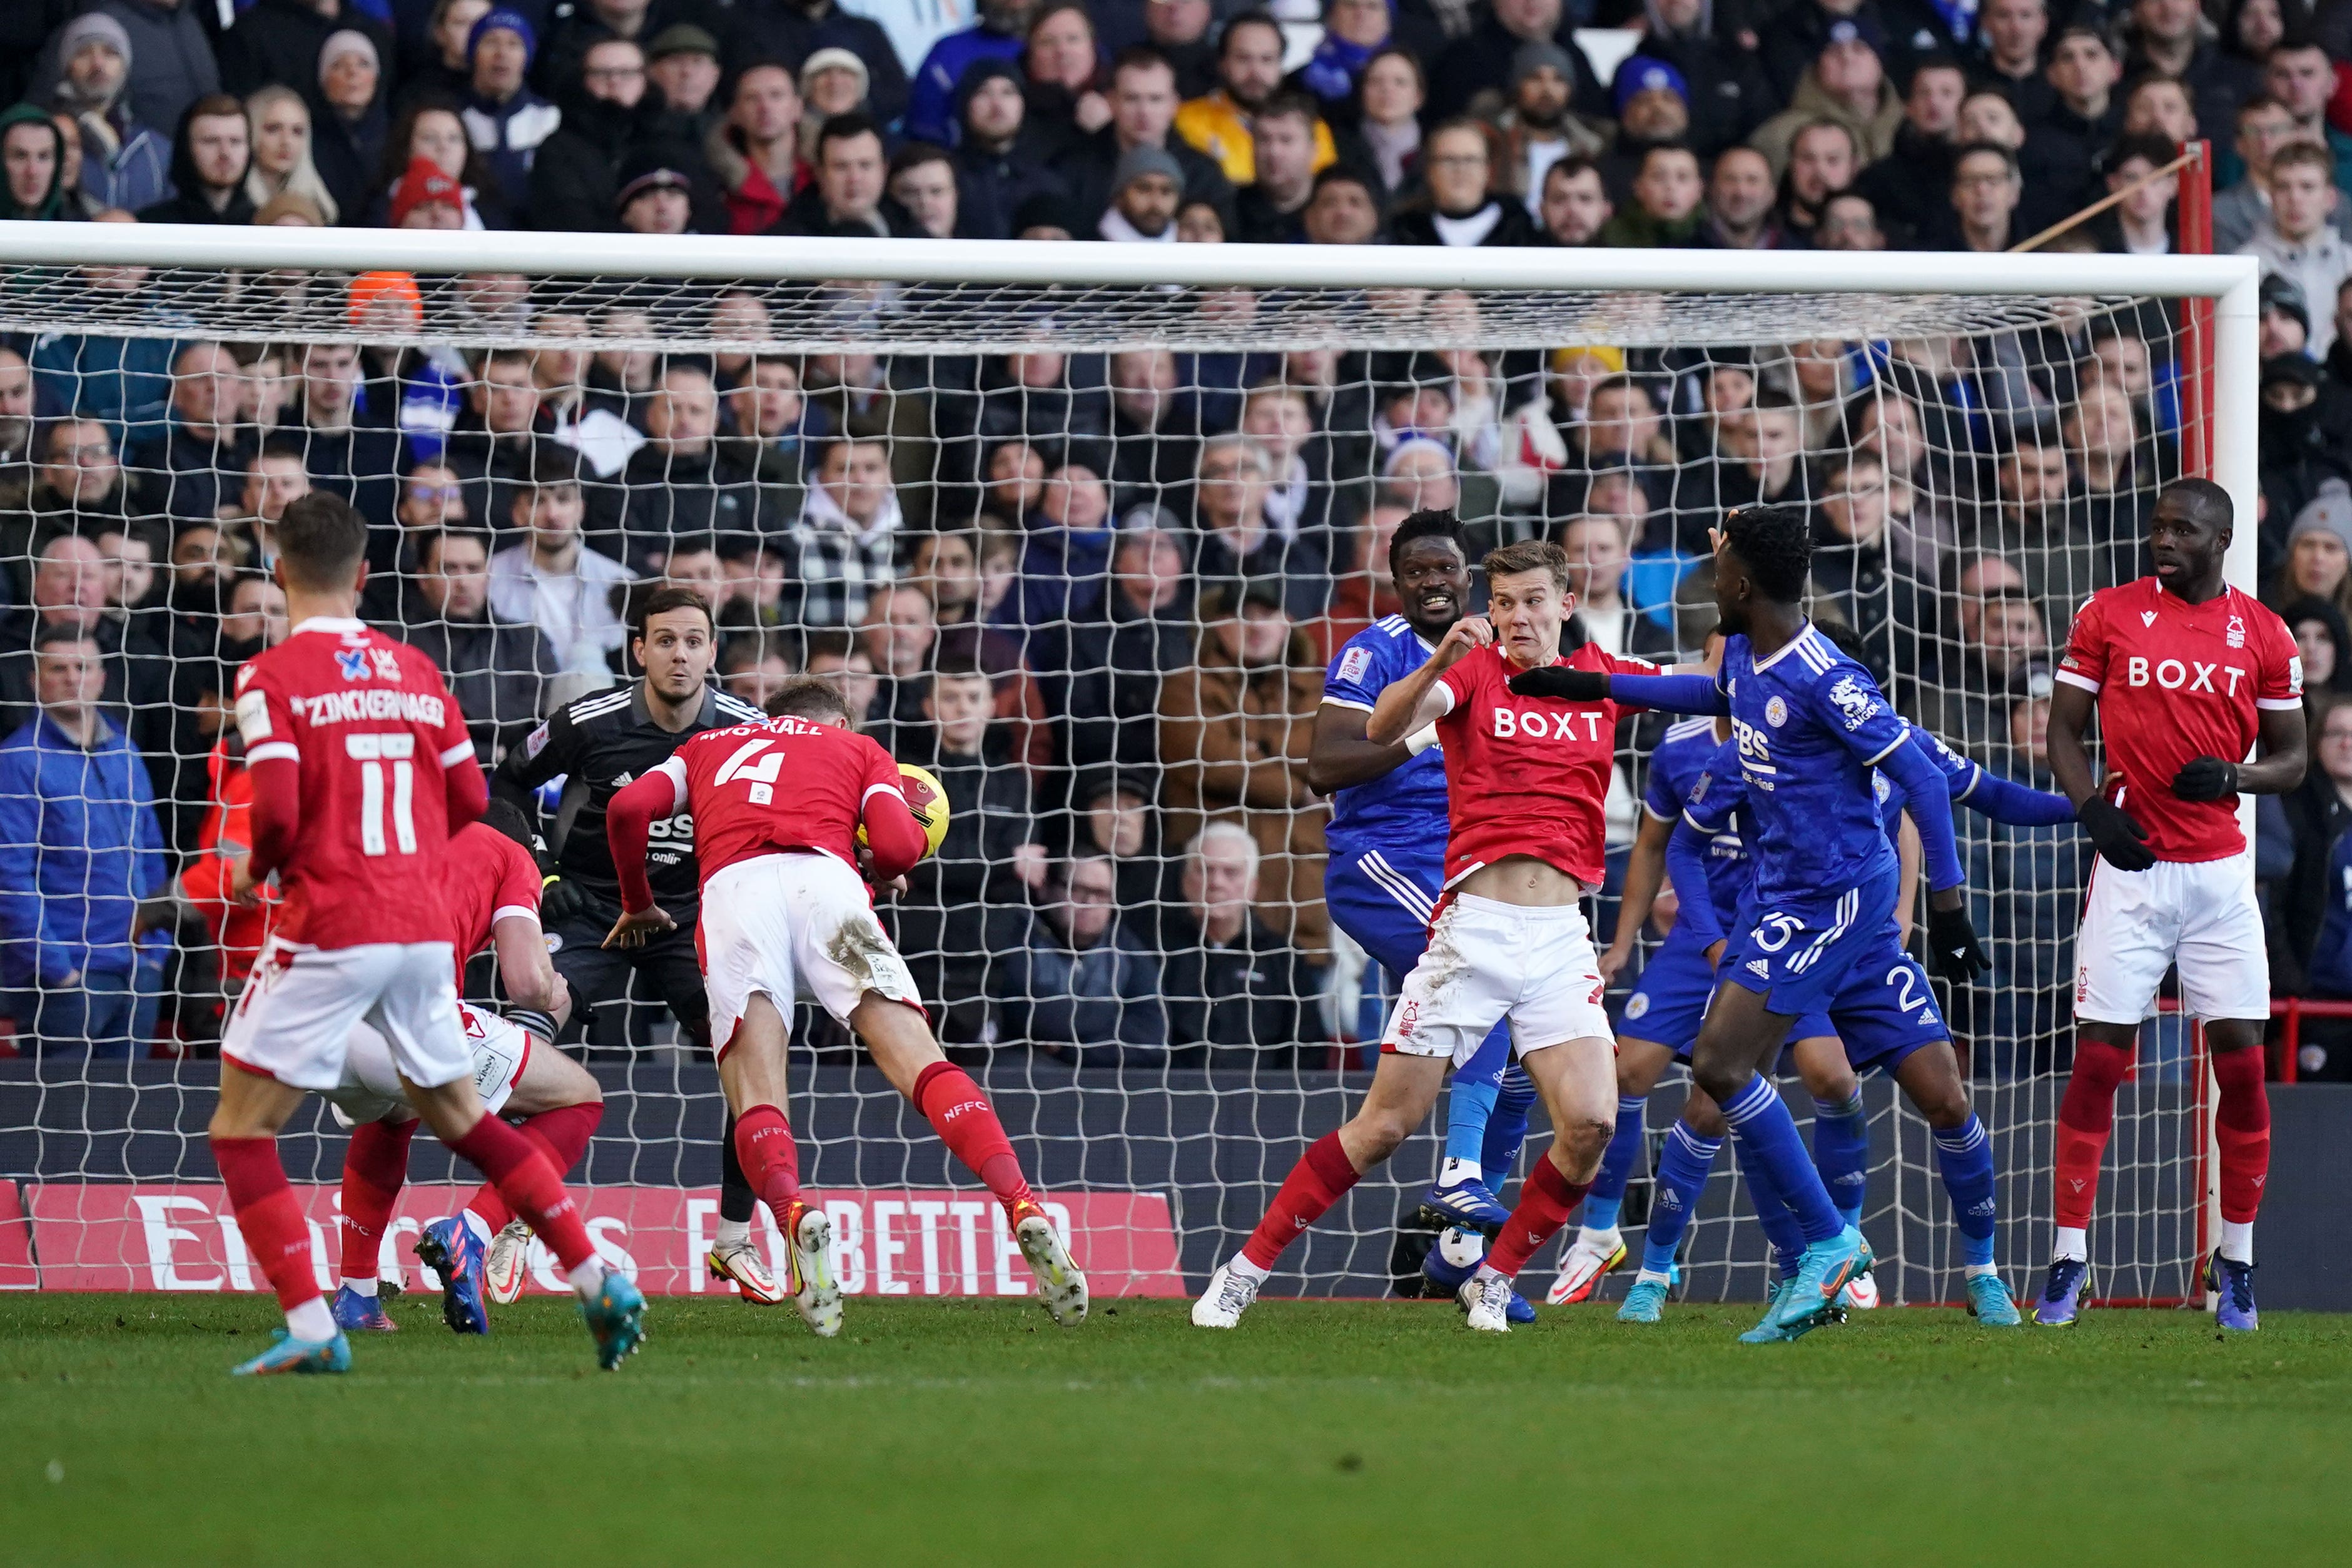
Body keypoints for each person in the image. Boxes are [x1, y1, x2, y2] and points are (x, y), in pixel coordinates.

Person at [1516, 505, 1992, 1341]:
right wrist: (1594, 686)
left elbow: (1920, 777)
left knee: (1753, 1069)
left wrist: (1948, 906)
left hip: (1844, 894)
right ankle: (1827, 1243)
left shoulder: (1828, 676)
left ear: (1740, 584)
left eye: (1718, 566)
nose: (1708, 578)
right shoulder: (1747, 649)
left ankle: (1834, 1243)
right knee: (1720, 1068)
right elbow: (1707, 689)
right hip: (1782, 898)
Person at [204, 491, 642, 1375]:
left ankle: (315, 1326)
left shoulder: (271, 677)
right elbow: (476, 801)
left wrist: (257, 867)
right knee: (461, 1115)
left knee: (241, 1128)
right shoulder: (412, 669)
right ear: (364, 576)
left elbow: (280, 815)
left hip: (330, 921)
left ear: (280, 572)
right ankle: (594, 1274)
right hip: (416, 934)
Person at [1191, 539, 1657, 1333]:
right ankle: (1244, 1269)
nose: (1516, 617)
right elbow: (1383, 722)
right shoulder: (1475, 673)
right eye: (1503, 602)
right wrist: (1443, 654)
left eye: (1533, 600)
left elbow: (1707, 688)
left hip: (1559, 940)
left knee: (1591, 1123)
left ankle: (1492, 1274)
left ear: (1565, 604)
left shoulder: (1603, 681)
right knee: (1382, 1126)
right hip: (1470, 934)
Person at [602, 675, 1088, 1333]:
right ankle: (1022, 1203)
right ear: (837, 721)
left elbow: (628, 810)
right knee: (918, 1058)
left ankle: (794, 1214)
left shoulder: (706, 746)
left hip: (735, 893)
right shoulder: (859, 751)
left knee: (757, 1086)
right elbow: (892, 847)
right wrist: (885, 865)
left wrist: (637, 900)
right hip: (827, 884)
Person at [2037, 478, 2307, 1333]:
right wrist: (2093, 811)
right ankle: (2070, 1260)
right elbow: (2063, 732)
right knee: (2099, 1063)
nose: (2163, 540)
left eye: (2181, 530)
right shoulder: (2108, 613)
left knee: (2241, 1067)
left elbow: (2294, 759)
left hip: (2221, 878)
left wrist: (2237, 775)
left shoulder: (2263, 632)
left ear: (2220, 539)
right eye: (2157, 527)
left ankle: (2237, 1260)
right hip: (2133, 871)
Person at [491, 586, 781, 1302]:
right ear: (638, 650)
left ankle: (735, 1240)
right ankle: (512, 1221)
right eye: (665, 641)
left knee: (751, 1056)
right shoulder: (590, 721)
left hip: (687, 916)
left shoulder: (750, 731)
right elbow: (508, 779)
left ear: (713, 652)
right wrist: (540, 868)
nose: (679, 654)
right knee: (529, 1030)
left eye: (693, 641)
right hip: (590, 906)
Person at [1303, 510, 1538, 1298]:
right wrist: (1416, 739)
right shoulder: (1374, 651)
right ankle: (1462, 1172)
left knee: (1530, 1041)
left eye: (1446, 569)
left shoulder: (1506, 651)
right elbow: (1325, 766)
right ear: (1396, 579)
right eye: (1417, 571)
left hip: (1469, 852)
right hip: (1383, 858)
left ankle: (1460, 1250)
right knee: (1479, 977)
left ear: (1468, 574)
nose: (1433, 581)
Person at [327, 802, 606, 1333]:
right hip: (400, 1014)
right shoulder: (511, 855)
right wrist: (556, 988)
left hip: (317, 1022)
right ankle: (474, 1232)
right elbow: (525, 984)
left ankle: (357, 1297)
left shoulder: (402, 832)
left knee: (391, 1113)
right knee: (581, 1096)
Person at [0, 627, 168, 1056]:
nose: (73, 678)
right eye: (58, 668)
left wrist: (156, 954)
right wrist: (58, 971)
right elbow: (10, 878)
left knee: (130, 1119)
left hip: (137, 972)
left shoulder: (126, 751)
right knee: (59, 1119)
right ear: (35, 681)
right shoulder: (17, 763)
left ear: (102, 677)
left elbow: (151, 855)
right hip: (67, 980)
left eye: (84, 666)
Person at [395, 528, 557, 764]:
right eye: (449, 569)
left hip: (516, 782)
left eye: (473, 569)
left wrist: (454, 713)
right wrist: (491, 751)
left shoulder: (527, 639)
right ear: (423, 578)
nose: (462, 582)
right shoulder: (398, 642)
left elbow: (538, 714)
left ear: (487, 575)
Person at [995, 851, 1165, 1062]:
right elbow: (1037, 1018)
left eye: (1101, 894)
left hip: (1104, 1079)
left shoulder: (1126, 948)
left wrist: (1069, 1049)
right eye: (1077, 890)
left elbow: (1153, 1035)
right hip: (1026, 1071)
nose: (1089, 902)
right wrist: (1110, 1018)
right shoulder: (1017, 933)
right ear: (1047, 890)